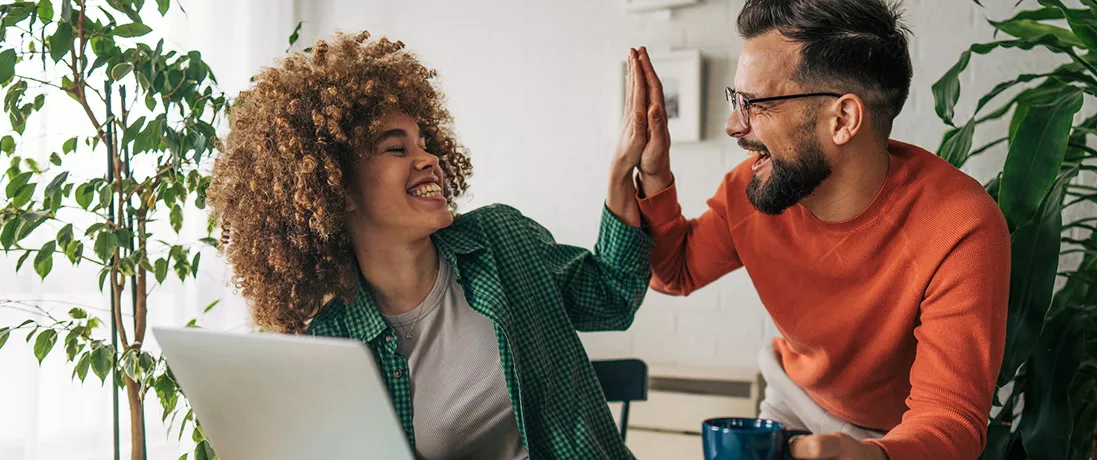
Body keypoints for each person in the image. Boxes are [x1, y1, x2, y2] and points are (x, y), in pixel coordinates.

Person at [207, 31, 660, 459]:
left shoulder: (500, 240)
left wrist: (623, 170)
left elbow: (612, 297)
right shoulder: (333, 342)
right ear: (337, 190)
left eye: (424, 143)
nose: (429, 159)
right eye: (396, 149)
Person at [621, 0, 1012, 458]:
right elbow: (675, 271)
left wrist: (871, 455)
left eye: (756, 104)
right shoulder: (752, 191)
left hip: (900, 438)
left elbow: (950, 421)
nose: (733, 125)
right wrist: (653, 172)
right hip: (791, 407)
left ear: (842, 119)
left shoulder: (961, 228)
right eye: (736, 100)